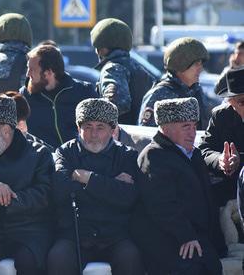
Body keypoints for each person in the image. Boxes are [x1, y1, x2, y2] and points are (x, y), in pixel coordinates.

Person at [48, 98, 144, 275]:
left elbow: (129, 198)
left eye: (100, 127)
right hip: (74, 234)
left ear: (113, 130)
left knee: (131, 258)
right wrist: (112, 184)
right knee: (57, 257)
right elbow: (61, 190)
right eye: (87, 127)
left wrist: (87, 178)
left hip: (115, 235)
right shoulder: (65, 152)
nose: (93, 134)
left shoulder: (127, 155)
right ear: (78, 128)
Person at [131, 97, 223, 274]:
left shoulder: (193, 153)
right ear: (166, 128)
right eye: (185, 127)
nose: (193, 133)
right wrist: (186, 236)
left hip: (196, 236)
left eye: (194, 126)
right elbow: (161, 205)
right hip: (170, 239)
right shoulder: (154, 156)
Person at [0, 95, 54, 275]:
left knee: (28, 261)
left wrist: (7, 198)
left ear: (6, 130)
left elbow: (45, 194)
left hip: (28, 230)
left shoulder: (39, 154)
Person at [21, 44, 98, 149]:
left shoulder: (84, 92)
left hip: (78, 161)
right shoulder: (24, 97)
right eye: (27, 68)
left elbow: (103, 128)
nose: (27, 74)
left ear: (49, 72)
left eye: (32, 69)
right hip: (43, 163)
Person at [90, 18, 155, 125]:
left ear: (102, 49)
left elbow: (117, 103)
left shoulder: (112, 69)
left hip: (121, 136)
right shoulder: (139, 68)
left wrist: (91, 117)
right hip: (141, 135)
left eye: (97, 47)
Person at [138, 37, 209, 129]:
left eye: (201, 64)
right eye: (196, 64)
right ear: (181, 64)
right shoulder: (159, 94)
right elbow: (145, 133)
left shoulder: (197, 91)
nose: (200, 69)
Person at [199, 67, 243, 207]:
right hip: (230, 192)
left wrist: (239, 160)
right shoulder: (221, 116)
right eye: (242, 102)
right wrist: (220, 160)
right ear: (230, 101)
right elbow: (204, 149)